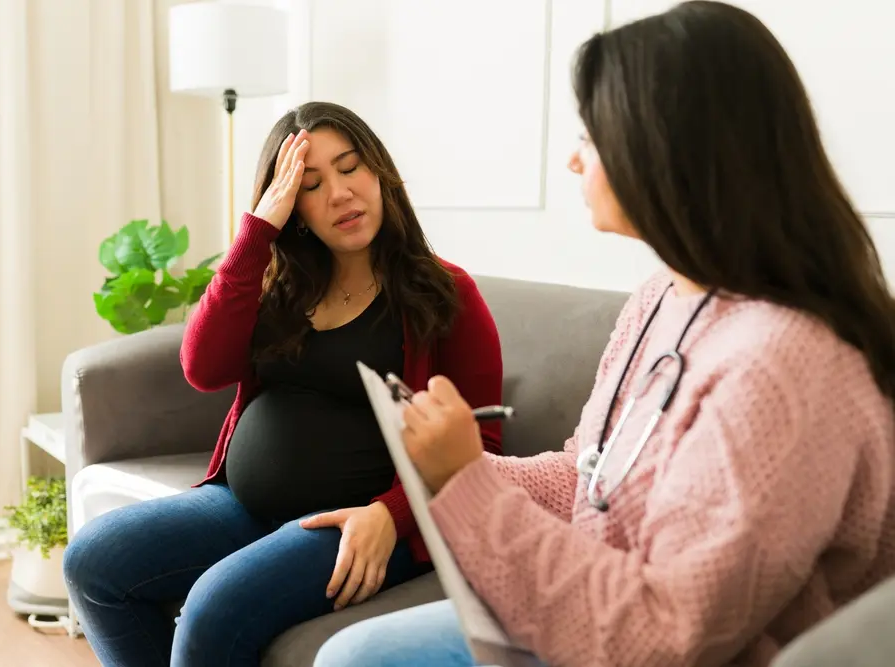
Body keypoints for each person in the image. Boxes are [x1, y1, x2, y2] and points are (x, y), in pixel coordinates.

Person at [313, 2, 895, 666]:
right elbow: (589, 473)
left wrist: (464, 484)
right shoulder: (663, 297)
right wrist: (460, 464)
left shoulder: (783, 367)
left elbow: (662, 635)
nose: (570, 160)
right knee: (356, 651)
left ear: (662, 147)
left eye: (589, 136)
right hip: (600, 605)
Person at [62, 101, 504, 667]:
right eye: (311, 184)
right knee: (93, 561)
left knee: (210, 609)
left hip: (354, 520)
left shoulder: (447, 294)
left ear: (379, 173)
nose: (340, 193)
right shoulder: (283, 288)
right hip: (240, 504)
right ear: (292, 206)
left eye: (350, 168)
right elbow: (202, 367)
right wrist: (255, 236)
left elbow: (483, 448)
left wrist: (388, 515)